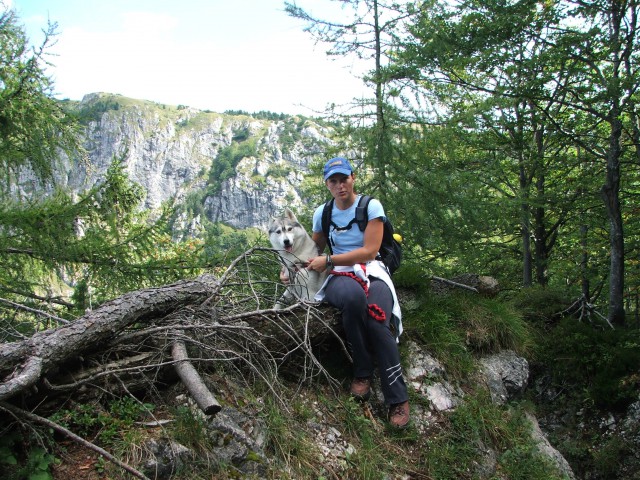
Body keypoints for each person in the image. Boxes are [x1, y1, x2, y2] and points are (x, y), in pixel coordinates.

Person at [305, 156, 410, 428]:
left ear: (353, 178)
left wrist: (328, 261)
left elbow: (370, 251)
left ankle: (398, 398)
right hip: (341, 275)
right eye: (334, 181)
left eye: (344, 179)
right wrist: (291, 268)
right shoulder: (323, 213)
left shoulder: (370, 206)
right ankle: (362, 371)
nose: (340, 186)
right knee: (352, 299)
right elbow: (314, 249)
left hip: (372, 271)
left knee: (377, 323)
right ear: (327, 184)